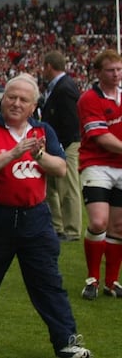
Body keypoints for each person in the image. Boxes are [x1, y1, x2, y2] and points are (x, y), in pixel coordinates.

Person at [0, 73, 91, 358]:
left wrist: (39, 156)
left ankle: (66, 341)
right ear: (2, 99)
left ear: (34, 106)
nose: (16, 103)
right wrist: (14, 153)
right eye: (11, 97)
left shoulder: (43, 131)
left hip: (35, 218)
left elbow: (60, 167)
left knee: (48, 282)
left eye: (23, 100)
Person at [77, 49, 122, 300]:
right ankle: (92, 278)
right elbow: (102, 138)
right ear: (98, 72)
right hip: (97, 164)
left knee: (119, 226)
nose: (116, 74)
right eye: (110, 70)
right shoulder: (89, 99)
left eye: (118, 69)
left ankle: (111, 282)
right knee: (98, 222)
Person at [41, 51, 82, 242]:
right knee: (51, 187)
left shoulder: (64, 88)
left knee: (67, 187)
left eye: (44, 66)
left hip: (66, 143)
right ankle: (57, 226)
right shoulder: (60, 86)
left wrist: (61, 147)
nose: (43, 70)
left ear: (49, 66)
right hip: (56, 143)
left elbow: (72, 121)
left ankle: (72, 230)